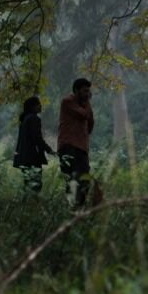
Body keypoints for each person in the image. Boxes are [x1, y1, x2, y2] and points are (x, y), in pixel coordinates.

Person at [58, 78, 95, 209]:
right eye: (84, 91)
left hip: (82, 148)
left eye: (88, 91)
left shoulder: (85, 105)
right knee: (72, 180)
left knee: (85, 180)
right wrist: (88, 103)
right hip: (68, 146)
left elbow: (90, 124)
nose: (87, 94)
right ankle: (72, 209)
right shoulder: (67, 102)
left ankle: (80, 209)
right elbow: (84, 115)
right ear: (76, 90)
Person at [13, 96, 55, 193]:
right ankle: (32, 206)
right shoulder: (34, 119)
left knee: (28, 184)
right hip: (32, 158)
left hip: (23, 157)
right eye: (38, 104)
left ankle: (27, 206)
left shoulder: (24, 120)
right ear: (32, 107)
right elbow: (37, 139)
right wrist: (49, 150)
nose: (40, 106)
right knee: (35, 185)